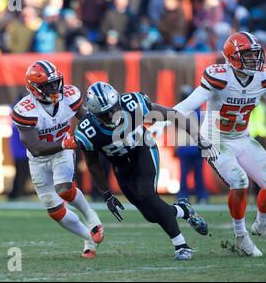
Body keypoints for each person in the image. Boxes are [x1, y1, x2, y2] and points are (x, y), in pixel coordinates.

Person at [149, 31, 266, 257]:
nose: (255, 60)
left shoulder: (262, 77)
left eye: (255, 54)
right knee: (239, 182)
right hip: (216, 140)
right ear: (233, 56)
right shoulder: (219, 76)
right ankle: (240, 235)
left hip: (243, 138)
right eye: (248, 55)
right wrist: (164, 120)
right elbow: (189, 103)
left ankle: (262, 224)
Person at [69, 82, 218, 260]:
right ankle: (183, 210)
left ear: (118, 101)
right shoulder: (87, 131)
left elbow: (172, 114)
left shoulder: (134, 104)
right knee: (150, 214)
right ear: (93, 114)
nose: (111, 115)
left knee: (148, 197)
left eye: (113, 109)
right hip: (120, 165)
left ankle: (181, 246)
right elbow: (93, 164)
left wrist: (197, 136)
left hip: (143, 150)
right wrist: (106, 194)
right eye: (104, 114)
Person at [11, 60, 104, 258]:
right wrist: (66, 143)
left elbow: (87, 120)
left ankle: (91, 216)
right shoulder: (24, 109)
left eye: (55, 82)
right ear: (34, 88)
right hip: (39, 159)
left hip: (62, 153)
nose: (54, 88)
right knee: (54, 210)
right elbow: (35, 148)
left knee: (64, 188)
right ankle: (88, 238)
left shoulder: (69, 96)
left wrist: (99, 133)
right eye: (47, 85)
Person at [175, 86, 210, 204]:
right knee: (196, 175)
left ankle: (184, 196)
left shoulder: (181, 112)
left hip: (188, 148)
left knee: (187, 175)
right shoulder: (199, 112)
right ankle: (200, 196)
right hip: (194, 148)